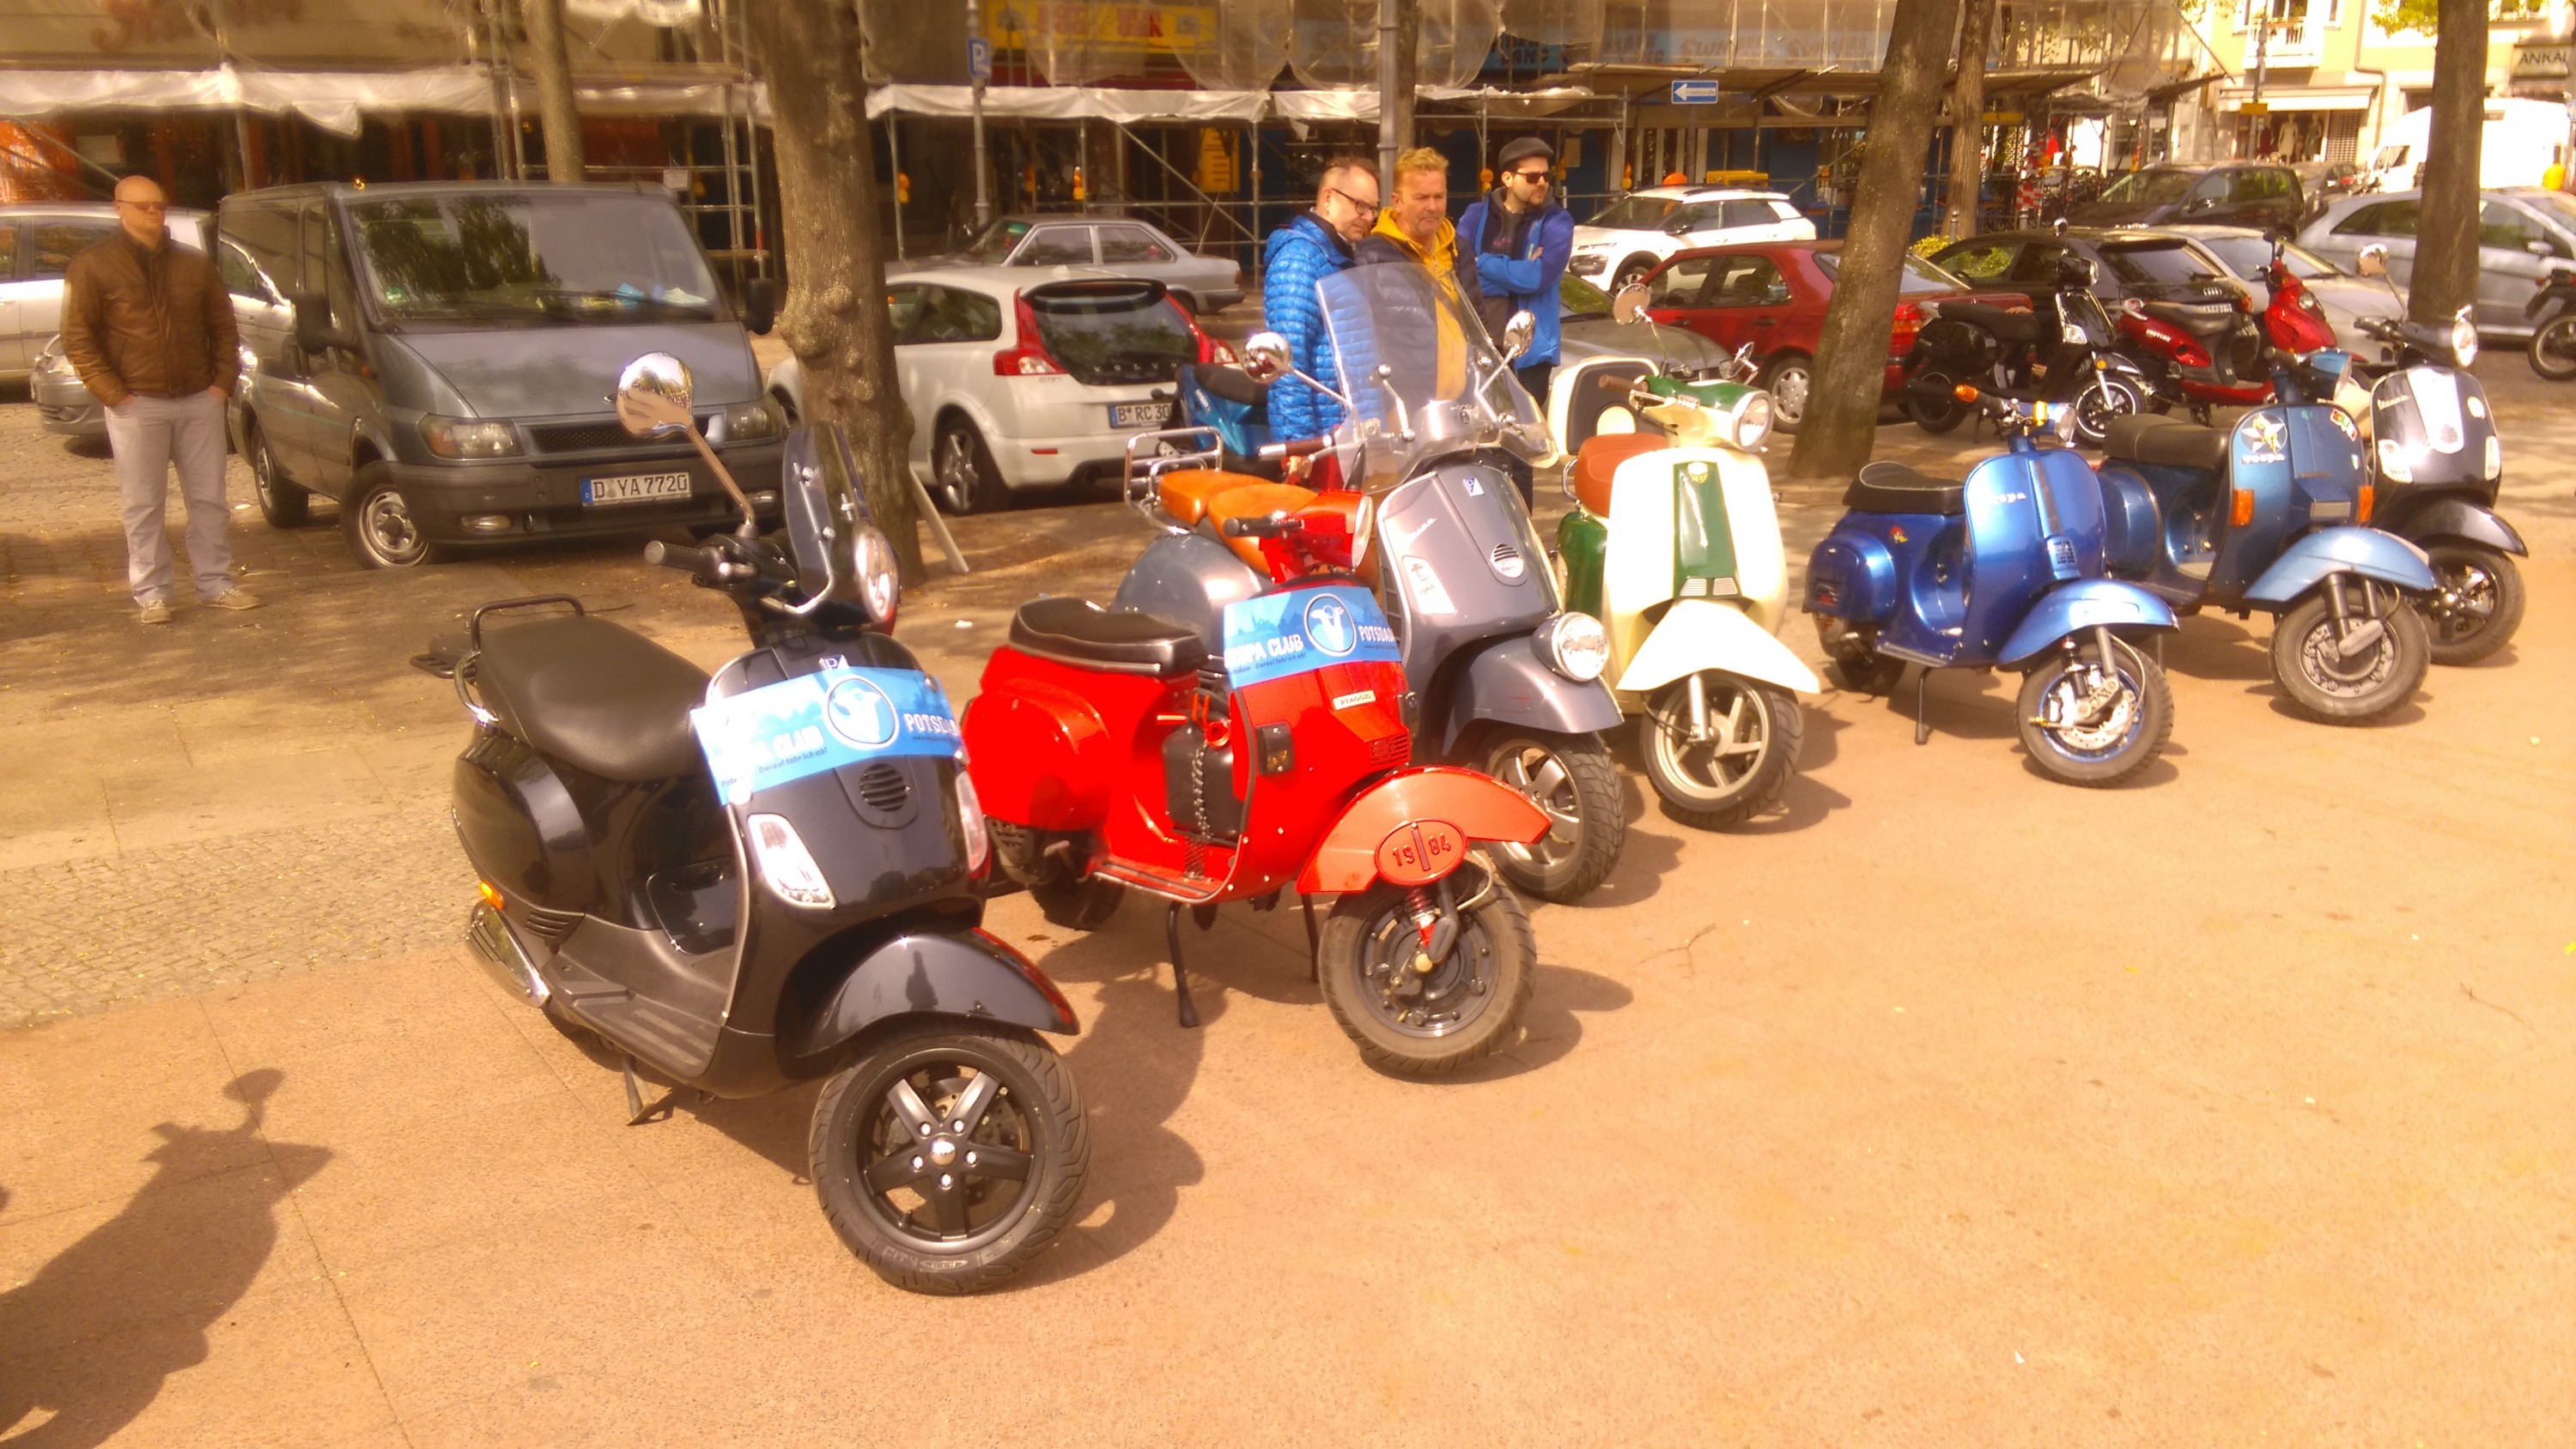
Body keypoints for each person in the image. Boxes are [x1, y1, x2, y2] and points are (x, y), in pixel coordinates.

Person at [61, 174, 258, 624]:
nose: (153, 213)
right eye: (143, 206)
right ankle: (151, 594)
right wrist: (114, 395)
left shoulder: (194, 265)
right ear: (119, 209)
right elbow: (78, 338)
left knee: (209, 499)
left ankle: (216, 583)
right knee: (143, 503)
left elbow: (224, 328)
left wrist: (221, 385)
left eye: (159, 205)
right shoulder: (92, 266)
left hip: (198, 399)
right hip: (137, 402)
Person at [1261, 155, 1379, 444]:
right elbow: (1287, 362)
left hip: (1351, 433)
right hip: (1323, 441)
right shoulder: (1298, 259)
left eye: (1374, 209)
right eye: (1361, 206)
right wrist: (1299, 443)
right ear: (1328, 198)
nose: (1369, 218)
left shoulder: (1338, 255)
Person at [1458, 136, 1573, 412]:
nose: (1542, 183)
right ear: (1508, 178)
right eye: (1533, 176)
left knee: (1525, 435)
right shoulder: (1474, 216)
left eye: (1546, 175)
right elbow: (1459, 273)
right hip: (1478, 349)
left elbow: (1536, 278)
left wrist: (1481, 263)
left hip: (1529, 358)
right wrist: (1517, 274)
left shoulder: (1558, 221)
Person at [1356, 146, 1483, 317]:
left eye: (1439, 197)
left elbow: (1478, 322)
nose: (1432, 207)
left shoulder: (1460, 249)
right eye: (1421, 198)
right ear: (1397, 201)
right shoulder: (1371, 255)